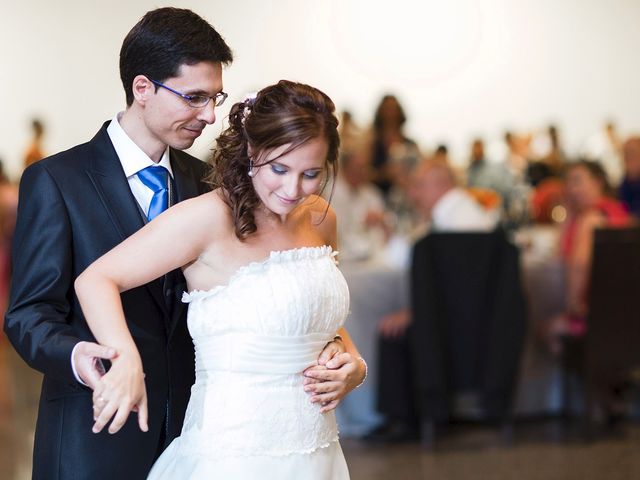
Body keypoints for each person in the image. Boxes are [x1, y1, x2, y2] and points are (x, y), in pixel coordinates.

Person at [4, 8, 356, 479]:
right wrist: (79, 353)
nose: (209, 115)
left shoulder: (214, 184)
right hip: (98, 427)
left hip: (204, 426)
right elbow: (28, 314)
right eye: (194, 98)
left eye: (215, 98)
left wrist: (342, 354)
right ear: (143, 88)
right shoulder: (56, 180)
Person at [75, 80, 365, 479]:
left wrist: (353, 364)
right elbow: (97, 279)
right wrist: (124, 358)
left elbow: (318, 318)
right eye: (279, 168)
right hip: (233, 451)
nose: (293, 188)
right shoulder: (206, 218)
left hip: (317, 450)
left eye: (311, 173)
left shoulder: (320, 218)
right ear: (252, 150)